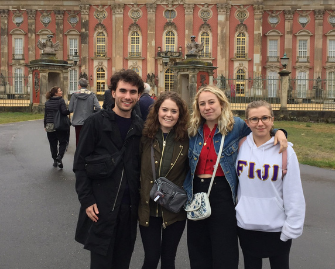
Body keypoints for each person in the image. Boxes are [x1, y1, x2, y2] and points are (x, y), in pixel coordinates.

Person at [183, 85, 288, 269]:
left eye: (211, 102)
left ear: (222, 104)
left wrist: (279, 132)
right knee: (198, 247)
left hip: (223, 192)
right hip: (196, 192)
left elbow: (260, 127)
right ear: (197, 107)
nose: (207, 107)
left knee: (224, 248)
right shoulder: (192, 129)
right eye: (202, 104)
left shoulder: (236, 125)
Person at [73, 69, 144, 269]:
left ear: (139, 95)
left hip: (128, 211)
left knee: (122, 263)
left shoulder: (140, 128)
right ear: (113, 93)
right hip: (101, 209)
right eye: (122, 91)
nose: (127, 96)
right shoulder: (95, 123)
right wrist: (87, 201)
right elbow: (80, 165)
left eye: (132, 92)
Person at [236, 100, 305, 269]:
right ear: (247, 123)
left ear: (272, 120)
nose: (260, 123)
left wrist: (292, 226)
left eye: (265, 118)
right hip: (247, 225)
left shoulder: (285, 150)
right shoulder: (240, 146)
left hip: (276, 227)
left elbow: (294, 191)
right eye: (254, 119)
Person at [138, 92, 189, 269]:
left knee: (169, 259)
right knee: (151, 258)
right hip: (148, 209)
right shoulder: (144, 136)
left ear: (180, 114)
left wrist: (278, 131)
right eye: (164, 109)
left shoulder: (187, 138)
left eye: (174, 111)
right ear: (157, 111)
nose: (168, 114)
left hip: (174, 211)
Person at [69, 78, 101, 146]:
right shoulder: (92, 94)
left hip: (77, 121)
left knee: (78, 139)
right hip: (89, 121)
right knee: (88, 140)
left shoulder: (74, 95)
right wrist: (92, 111)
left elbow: (70, 109)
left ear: (79, 85)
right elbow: (98, 107)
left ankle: (78, 154)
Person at [44, 86, 70, 169]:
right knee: (63, 142)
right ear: (56, 93)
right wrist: (70, 110)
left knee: (53, 144)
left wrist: (45, 125)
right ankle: (59, 157)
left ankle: (55, 160)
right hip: (59, 125)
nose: (61, 92)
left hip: (49, 124)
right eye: (60, 91)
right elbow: (64, 112)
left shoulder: (47, 103)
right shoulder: (60, 101)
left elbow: (46, 115)